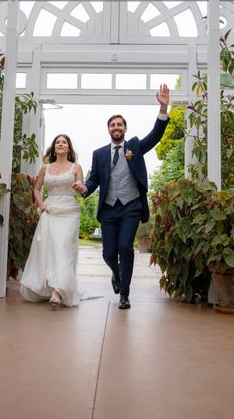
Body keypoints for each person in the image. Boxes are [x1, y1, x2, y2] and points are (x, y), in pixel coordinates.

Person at [73, 84, 170, 309]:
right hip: (108, 208)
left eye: (119, 124)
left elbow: (155, 136)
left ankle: (124, 295)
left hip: (131, 206)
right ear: (108, 129)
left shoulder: (134, 146)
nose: (116, 127)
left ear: (125, 128)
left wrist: (163, 108)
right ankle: (116, 274)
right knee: (109, 253)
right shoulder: (99, 154)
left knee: (125, 247)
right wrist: (84, 188)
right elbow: (93, 180)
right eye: (112, 125)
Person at [20, 134, 85, 308]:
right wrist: (42, 206)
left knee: (64, 247)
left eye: (64, 142)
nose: (61, 144)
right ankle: (49, 287)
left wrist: (80, 187)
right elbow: (36, 189)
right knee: (48, 248)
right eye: (58, 142)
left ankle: (58, 290)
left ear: (69, 147)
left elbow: (80, 189)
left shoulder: (76, 167)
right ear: (54, 147)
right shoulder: (45, 168)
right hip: (49, 210)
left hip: (68, 211)